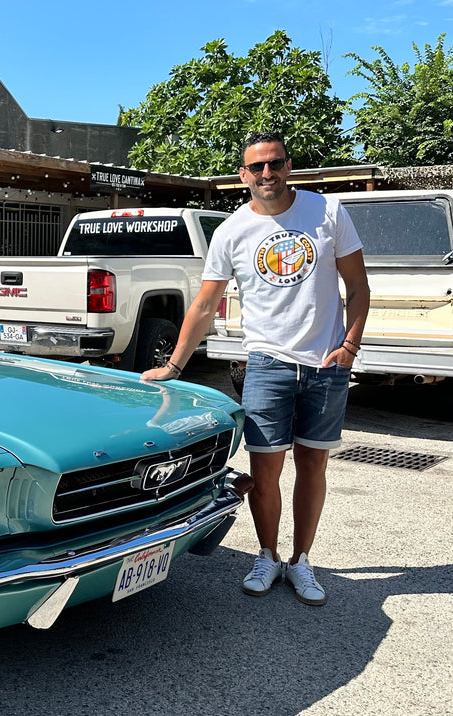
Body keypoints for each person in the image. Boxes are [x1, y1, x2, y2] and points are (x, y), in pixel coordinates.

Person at [142, 131, 370, 606]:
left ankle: (301, 561)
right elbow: (205, 305)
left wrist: (349, 346)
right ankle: (267, 555)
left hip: (326, 364)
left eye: (276, 163)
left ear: (289, 166)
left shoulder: (326, 213)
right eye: (257, 167)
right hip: (267, 365)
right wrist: (174, 365)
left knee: (313, 465)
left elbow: (358, 286)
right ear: (243, 175)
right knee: (264, 473)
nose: (268, 173)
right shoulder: (231, 231)